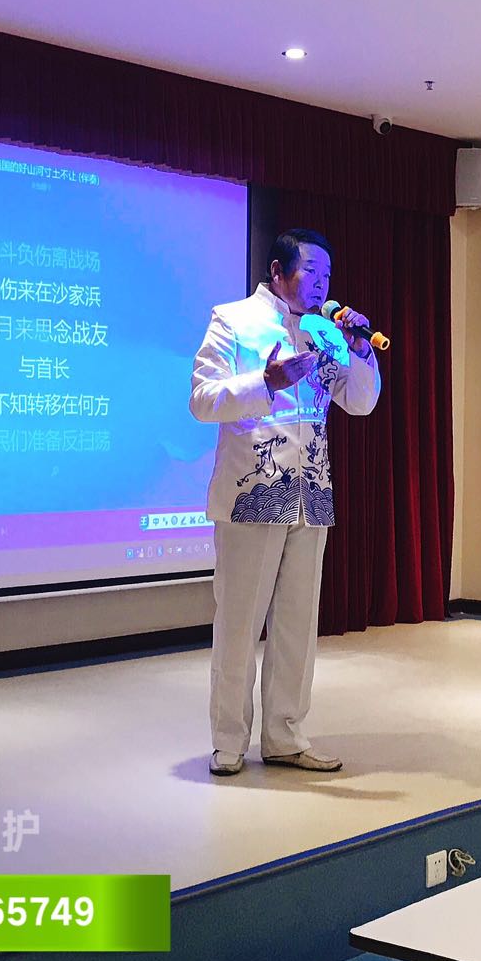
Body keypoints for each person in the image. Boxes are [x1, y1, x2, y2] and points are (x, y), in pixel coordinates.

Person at [189, 229, 381, 776]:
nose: (321, 283)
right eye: (311, 271)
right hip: (253, 494)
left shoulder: (325, 333)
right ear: (278, 271)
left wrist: (360, 350)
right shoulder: (234, 320)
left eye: (327, 274)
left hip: (311, 495)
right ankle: (229, 742)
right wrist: (265, 382)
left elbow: (361, 402)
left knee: (298, 625)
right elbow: (202, 400)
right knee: (239, 625)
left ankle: (286, 736)